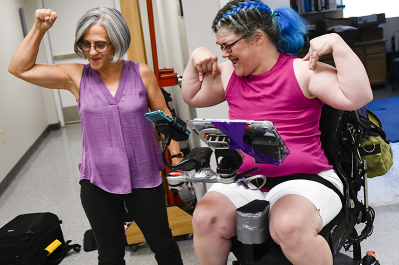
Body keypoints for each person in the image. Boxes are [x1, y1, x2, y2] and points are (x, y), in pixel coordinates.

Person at [181, 1, 373, 265]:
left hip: (307, 179)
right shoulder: (229, 74)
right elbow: (192, 95)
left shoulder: (302, 70)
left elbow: (359, 96)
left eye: (229, 45)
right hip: (248, 179)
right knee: (205, 218)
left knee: (288, 225)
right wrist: (195, 59)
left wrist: (338, 45)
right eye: (219, 46)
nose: (224, 54)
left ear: (257, 38)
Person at [8, 7, 184, 265]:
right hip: (98, 180)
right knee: (110, 255)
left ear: (118, 42)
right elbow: (19, 68)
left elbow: (166, 120)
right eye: (86, 44)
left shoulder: (141, 73)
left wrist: (177, 160)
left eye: (100, 45)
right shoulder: (75, 76)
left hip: (143, 176)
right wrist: (39, 29)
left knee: (164, 246)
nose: (91, 51)